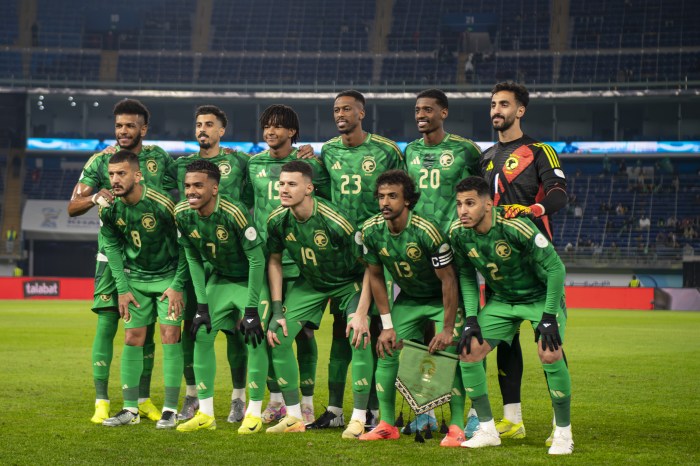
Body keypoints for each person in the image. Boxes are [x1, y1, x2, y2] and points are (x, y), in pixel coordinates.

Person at [67, 98, 176, 424]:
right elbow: (72, 206)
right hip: (111, 255)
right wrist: (93, 197)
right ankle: (102, 399)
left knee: (146, 330)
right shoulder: (101, 161)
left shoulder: (159, 158)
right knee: (107, 323)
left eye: (130, 125)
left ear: (144, 128)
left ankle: (141, 399)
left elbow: (180, 193)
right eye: (119, 126)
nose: (123, 131)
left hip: (153, 259)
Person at [450, 176, 573, 455]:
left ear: (489, 203)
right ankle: (487, 429)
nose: (462, 211)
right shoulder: (458, 232)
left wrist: (549, 316)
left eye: (470, 203)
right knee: (468, 350)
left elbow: (556, 269)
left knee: (550, 353)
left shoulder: (516, 225)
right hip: (503, 300)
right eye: (459, 204)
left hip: (540, 297)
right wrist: (471, 318)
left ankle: (563, 433)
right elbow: (467, 276)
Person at [480, 81, 568, 442]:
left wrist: (534, 209)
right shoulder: (483, 158)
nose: (496, 110)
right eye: (492, 104)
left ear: (520, 111)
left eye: (503, 104)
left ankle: (559, 426)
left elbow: (560, 193)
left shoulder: (539, 150)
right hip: (497, 264)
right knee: (504, 342)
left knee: (548, 343)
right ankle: (512, 420)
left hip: (535, 260)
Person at [313, 90, 404, 430]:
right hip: (342, 256)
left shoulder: (387, 150)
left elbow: (404, 192)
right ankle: (337, 410)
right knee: (343, 330)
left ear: (361, 113)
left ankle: (379, 413)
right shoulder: (329, 150)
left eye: (347, 108)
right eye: (336, 109)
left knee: (381, 329)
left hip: (380, 251)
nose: (340, 114)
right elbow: (319, 188)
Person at [265, 161, 373, 438]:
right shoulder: (277, 220)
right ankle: (293, 417)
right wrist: (277, 309)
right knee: (277, 334)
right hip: (311, 284)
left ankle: (360, 418)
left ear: (309, 188)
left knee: (358, 335)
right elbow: (274, 261)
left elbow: (370, 265)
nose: (284, 189)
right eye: (281, 184)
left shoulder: (335, 221)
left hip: (349, 283)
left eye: (292, 184)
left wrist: (361, 311)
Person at [358, 170, 463, 445]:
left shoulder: (427, 231)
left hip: (443, 300)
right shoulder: (371, 231)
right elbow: (376, 276)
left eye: (392, 196)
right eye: (381, 196)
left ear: (407, 201)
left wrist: (449, 328)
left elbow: (449, 281)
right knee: (386, 348)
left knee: (452, 352)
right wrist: (387, 325)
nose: (385, 203)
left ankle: (457, 425)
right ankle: (386, 424)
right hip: (410, 299)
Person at [243, 105, 329, 426]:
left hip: (304, 262)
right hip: (268, 263)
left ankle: (305, 404)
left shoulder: (311, 165)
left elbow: (327, 198)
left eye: (277, 126)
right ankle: (277, 401)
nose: (270, 131)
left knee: (304, 334)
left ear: (292, 131)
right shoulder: (253, 164)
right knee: (266, 332)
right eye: (266, 125)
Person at [404, 88, 481, 435]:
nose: (422, 115)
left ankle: (476, 414)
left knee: (462, 332)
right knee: (422, 336)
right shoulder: (410, 151)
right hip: (420, 252)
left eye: (428, 109)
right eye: (418, 110)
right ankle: (426, 411)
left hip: (457, 251)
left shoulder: (465, 149)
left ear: (444, 113)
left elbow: (481, 190)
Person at [174, 160, 268, 433]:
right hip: (220, 280)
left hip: (249, 281)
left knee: (255, 338)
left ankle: (253, 412)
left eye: (198, 186)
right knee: (201, 334)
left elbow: (257, 261)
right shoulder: (181, 213)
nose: (191, 191)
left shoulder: (234, 212)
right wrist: (201, 304)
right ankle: (205, 414)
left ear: (214, 188)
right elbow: (191, 256)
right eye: (188, 185)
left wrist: (251, 310)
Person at [173, 105, 251, 423]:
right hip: (195, 259)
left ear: (222, 131)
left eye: (209, 124)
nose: (202, 129)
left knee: (237, 332)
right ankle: (192, 397)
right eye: (198, 124)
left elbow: (269, 178)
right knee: (191, 330)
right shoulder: (179, 166)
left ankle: (238, 399)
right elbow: (138, 167)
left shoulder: (240, 161)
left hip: (232, 261)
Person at [99, 151, 186, 428]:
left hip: (168, 278)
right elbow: (111, 247)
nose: (115, 179)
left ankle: (170, 410)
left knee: (170, 335)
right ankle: (130, 410)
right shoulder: (109, 207)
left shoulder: (162, 204)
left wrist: (177, 285)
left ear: (137, 175)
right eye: (112, 174)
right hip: (134, 279)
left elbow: (187, 246)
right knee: (132, 338)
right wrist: (122, 289)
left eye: (121, 173)